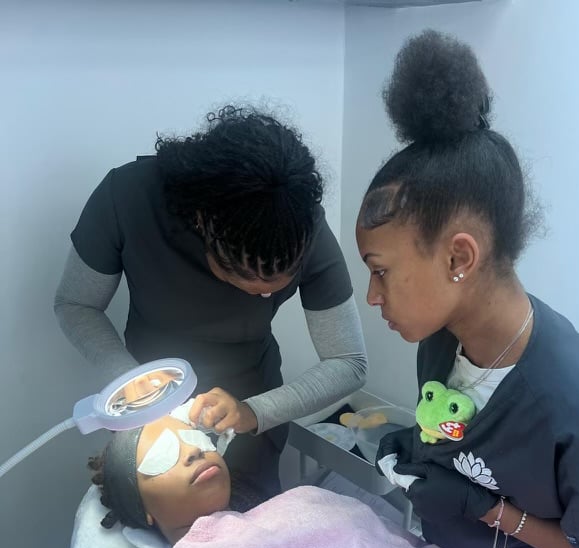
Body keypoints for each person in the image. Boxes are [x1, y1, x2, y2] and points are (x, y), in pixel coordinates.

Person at [358, 30, 579, 548]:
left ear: (458, 259)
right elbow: (456, 437)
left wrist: (487, 510)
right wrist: (418, 452)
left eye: (381, 271)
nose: (372, 296)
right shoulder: (440, 343)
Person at [55, 105, 368, 497]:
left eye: (277, 284)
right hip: (147, 410)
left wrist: (253, 412)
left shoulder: (298, 222)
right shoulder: (127, 198)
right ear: (204, 223)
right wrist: (130, 381)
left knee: (250, 522)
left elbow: (349, 362)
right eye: (249, 279)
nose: (266, 295)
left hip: (249, 411)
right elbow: (76, 304)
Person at [89, 412, 269, 545]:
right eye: (163, 455)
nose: (194, 450)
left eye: (196, 438)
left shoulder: (280, 515)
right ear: (141, 508)